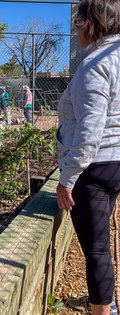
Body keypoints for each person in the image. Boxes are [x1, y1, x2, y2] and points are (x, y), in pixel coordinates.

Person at [56, 1, 120, 314]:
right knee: (101, 244)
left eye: (78, 25)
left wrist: (67, 179)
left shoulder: (95, 63)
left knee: (96, 250)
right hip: (115, 165)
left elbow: (89, 130)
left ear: (90, 24)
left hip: (94, 168)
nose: (77, 31)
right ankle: (105, 304)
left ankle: (102, 310)